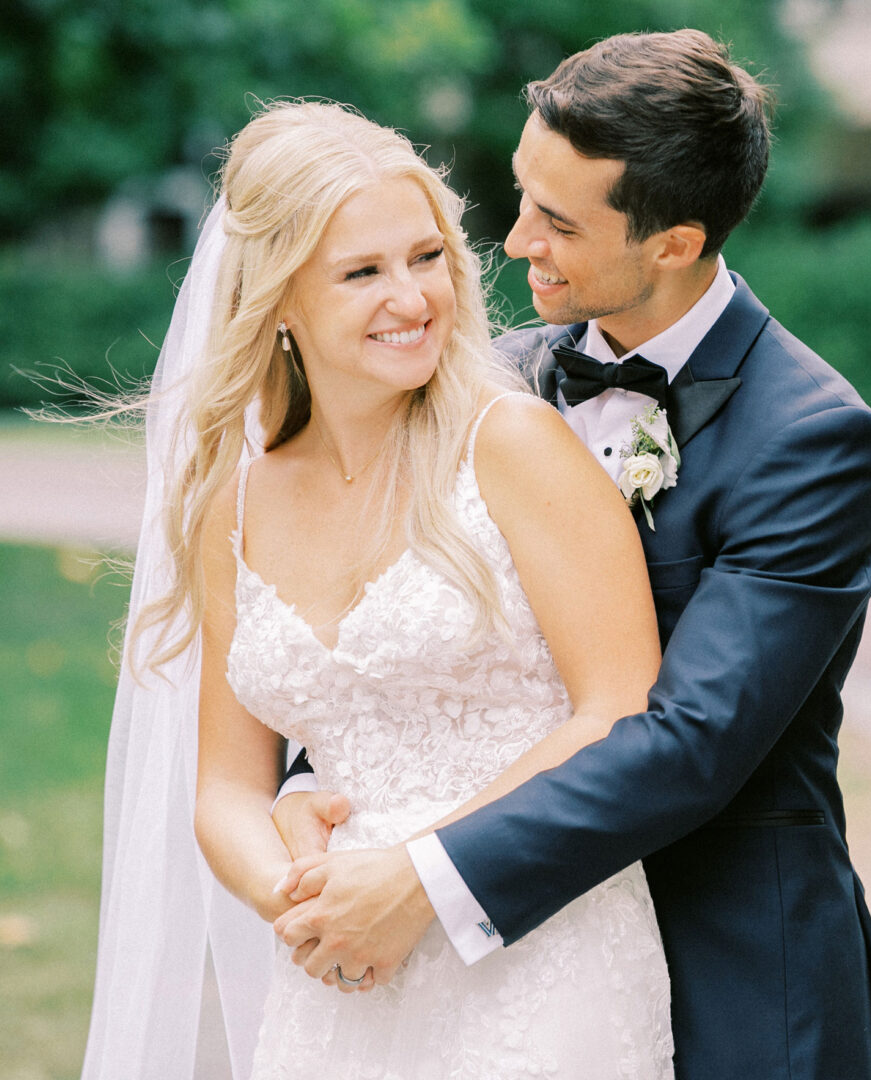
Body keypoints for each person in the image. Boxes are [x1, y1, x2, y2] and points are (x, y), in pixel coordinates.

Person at [272, 30, 871, 1079]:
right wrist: (318, 771)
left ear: (674, 242)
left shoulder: (812, 441)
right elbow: (369, 601)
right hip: (495, 976)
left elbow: (693, 740)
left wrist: (426, 881)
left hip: (726, 954)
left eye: (559, 220)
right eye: (524, 193)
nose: (516, 238)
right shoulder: (484, 382)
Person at [82, 100, 674, 1078]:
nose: (413, 297)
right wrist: (299, 901)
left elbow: (617, 709)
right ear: (277, 298)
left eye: (426, 256)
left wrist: (416, 878)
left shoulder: (512, 446)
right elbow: (228, 785)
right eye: (362, 272)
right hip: (339, 982)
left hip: (537, 949)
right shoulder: (226, 506)